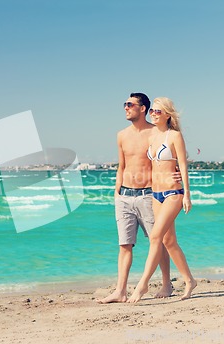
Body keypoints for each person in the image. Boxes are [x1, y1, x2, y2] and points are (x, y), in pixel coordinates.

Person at [97, 93, 178, 304]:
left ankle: (166, 284)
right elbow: (121, 165)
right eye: (125, 104)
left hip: (149, 195)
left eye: (130, 104)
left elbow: (170, 156)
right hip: (124, 195)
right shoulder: (121, 135)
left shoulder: (156, 133)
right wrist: (117, 191)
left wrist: (175, 173)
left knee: (158, 241)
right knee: (124, 245)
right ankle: (120, 290)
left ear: (142, 109)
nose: (126, 107)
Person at [127, 96, 197, 303]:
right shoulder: (151, 137)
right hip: (154, 194)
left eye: (158, 111)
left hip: (173, 193)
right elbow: (150, 166)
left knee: (155, 237)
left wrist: (187, 195)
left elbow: (183, 165)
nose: (154, 114)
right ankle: (189, 280)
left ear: (167, 114)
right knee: (169, 241)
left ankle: (143, 285)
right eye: (152, 111)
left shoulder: (174, 136)